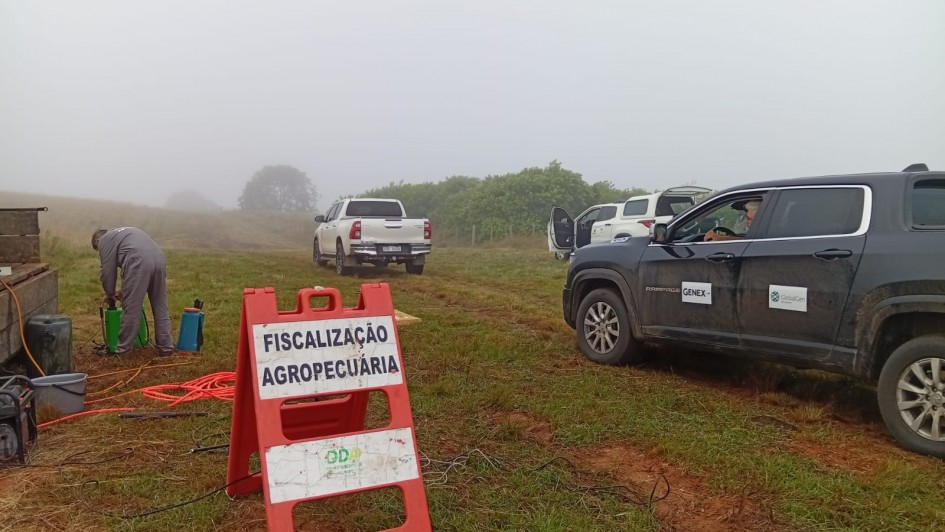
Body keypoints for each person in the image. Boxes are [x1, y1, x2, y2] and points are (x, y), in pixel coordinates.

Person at [92, 227, 175, 355]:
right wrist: (124, 290)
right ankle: (166, 347)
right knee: (160, 306)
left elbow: (108, 271)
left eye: (97, 249)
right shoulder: (120, 234)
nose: (100, 252)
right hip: (159, 258)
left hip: (137, 259)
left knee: (131, 308)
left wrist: (109, 293)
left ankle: (122, 351)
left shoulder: (104, 240)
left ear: (97, 241)